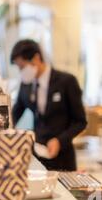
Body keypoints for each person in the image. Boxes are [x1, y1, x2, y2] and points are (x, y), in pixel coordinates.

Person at [10, 39, 87, 171]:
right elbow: (15, 113)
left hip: (63, 158)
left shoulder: (67, 82)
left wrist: (59, 141)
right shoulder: (26, 84)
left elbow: (80, 122)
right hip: (37, 157)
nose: (21, 71)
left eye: (22, 67)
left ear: (36, 58)